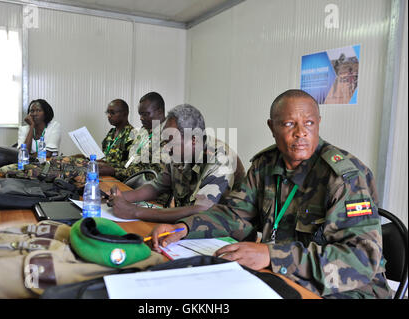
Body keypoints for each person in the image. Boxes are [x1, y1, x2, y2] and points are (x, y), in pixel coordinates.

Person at [149, 89, 392, 299]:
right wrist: (184, 228)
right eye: (289, 124)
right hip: (281, 275)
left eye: (309, 123)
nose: (300, 133)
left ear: (319, 122)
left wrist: (272, 255)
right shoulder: (266, 164)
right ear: (271, 127)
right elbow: (235, 215)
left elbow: (361, 260)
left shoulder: (343, 177)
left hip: (345, 289)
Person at [109, 103, 245, 223]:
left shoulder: (221, 157)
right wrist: (121, 197)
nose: (166, 148)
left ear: (194, 140)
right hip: (186, 228)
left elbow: (200, 211)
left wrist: (135, 211)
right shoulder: (177, 153)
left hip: (222, 234)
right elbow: (157, 187)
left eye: (171, 141)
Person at [106, 92, 167, 182]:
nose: (141, 118)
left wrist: (115, 171)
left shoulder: (167, 136)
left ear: (159, 111)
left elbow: (152, 174)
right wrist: (109, 165)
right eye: (140, 114)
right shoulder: (143, 131)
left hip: (149, 191)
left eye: (145, 114)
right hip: (130, 182)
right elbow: (131, 162)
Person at [97, 99, 134, 176]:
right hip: (104, 174)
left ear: (125, 114)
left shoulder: (132, 134)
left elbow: (129, 165)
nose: (109, 116)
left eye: (112, 113)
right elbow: (105, 155)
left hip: (119, 178)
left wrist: (108, 166)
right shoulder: (111, 132)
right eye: (108, 112)